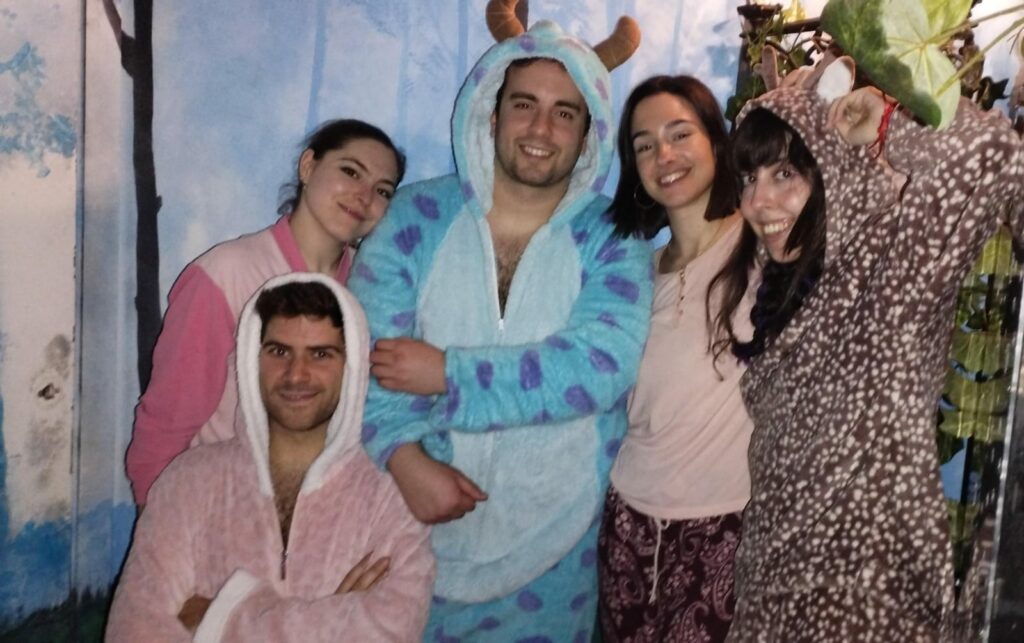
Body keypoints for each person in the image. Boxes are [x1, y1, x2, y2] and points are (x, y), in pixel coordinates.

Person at [346, 4, 651, 641]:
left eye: (565, 112)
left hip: (556, 556)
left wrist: (449, 374)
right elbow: (365, 358)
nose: (541, 128)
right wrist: (402, 456)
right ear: (491, 110)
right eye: (524, 104)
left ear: (589, 131)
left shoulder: (613, 237)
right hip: (407, 532)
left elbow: (599, 366)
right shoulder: (415, 218)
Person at [713, 69, 1024, 640]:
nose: (758, 201)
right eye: (749, 178)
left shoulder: (891, 271)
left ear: (833, 167)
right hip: (769, 604)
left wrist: (885, 126)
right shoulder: (781, 293)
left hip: (868, 606)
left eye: (786, 173)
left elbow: (993, 155)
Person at [106, 274, 434, 642]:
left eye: (320, 354)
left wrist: (220, 617)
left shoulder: (391, 494)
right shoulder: (188, 483)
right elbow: (132, 632)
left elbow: (389, 631)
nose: (296, 374)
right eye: (279, 352)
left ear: (352, 366)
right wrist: (330, 620)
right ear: (251, 359)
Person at [125, 119, 405, 505]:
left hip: (322, 516)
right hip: (219, 508)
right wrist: (159, 525)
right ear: (308, 166)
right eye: (350, 171)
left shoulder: (374, 291)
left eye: (383, 190)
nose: (364, 195)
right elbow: (167, 423)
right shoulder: (226, 274)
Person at [596, 75, 752, 642]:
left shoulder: (763, 249)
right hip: (628, 523)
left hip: (726, 525)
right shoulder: (632, 273)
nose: (664, 155)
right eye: (644, 145)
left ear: (716, 140)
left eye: (680, 134)